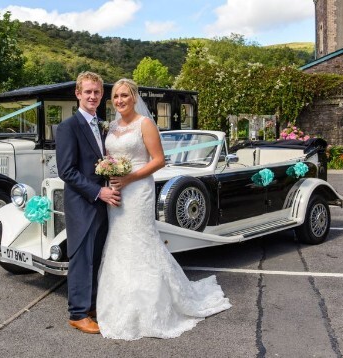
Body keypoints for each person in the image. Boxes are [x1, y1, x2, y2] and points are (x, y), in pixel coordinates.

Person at [96, 78, 232, 340]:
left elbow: (159, 160)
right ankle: (121, 299)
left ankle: (151, 306)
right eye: (116, 97)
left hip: (138, 191)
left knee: (141, 242)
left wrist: (129, 178)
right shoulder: (111, 126)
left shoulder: (144, 124)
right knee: (119, 243)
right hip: (116, 193)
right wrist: (109, 172)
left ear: (135, 97)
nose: (120, 100)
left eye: (125, 95)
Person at [56, 72, 121, 334]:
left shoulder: (101, 124)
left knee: (95, 255)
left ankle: (91, 305)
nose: (92, 96)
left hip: (102, 203)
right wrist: (98, 192)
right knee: (81, 258)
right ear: (78, 94)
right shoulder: (68, 127)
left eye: (96, 92)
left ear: (101, 95)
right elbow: (67, 171)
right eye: (87, 92)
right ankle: (78, 313)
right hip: (83, 202)